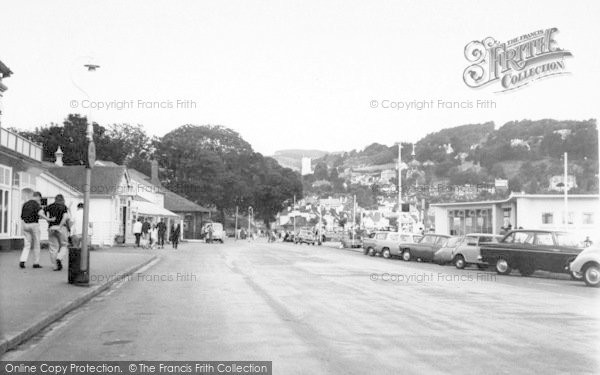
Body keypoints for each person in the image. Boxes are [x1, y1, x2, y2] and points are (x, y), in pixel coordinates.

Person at [19, 192, 54, 269]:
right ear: (38, 197)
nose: (40, 201)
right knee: (37, 243)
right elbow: (40, 213)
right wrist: (48, 219)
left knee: (27, 244)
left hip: (25, 225)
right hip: (34, 224)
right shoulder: (36, 204)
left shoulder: (25, 204)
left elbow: (22, 217)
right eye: (40, 199)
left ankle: (22, 260)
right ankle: (36, 263)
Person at [45, 194, 70, 271]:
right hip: (61, 228)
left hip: (51, 228)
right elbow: (65, 217)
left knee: (53, 248)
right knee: (64, 245)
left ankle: (55, 266)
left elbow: (42, 212)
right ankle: (59, 258)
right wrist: (60, 226)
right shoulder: (63, 207)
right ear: (62, 200)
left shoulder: (49, 206)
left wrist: (48, 219)